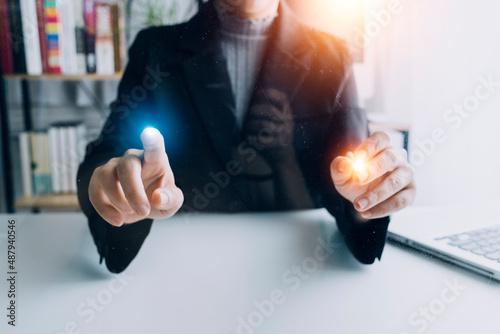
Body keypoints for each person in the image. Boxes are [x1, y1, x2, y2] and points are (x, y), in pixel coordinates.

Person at [77, 0, 416, 273]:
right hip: (183, 271)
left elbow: (357, 193)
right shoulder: (155, 50)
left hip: (297, 272)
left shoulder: (334, 56)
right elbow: (107, 157)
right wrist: (112, 183)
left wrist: (370, 195)